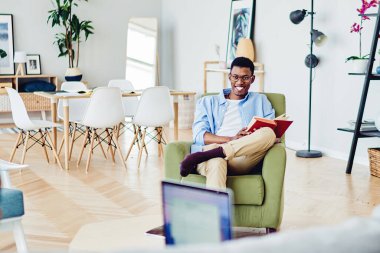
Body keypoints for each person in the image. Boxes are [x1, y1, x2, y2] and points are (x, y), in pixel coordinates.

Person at [180, 57, 277, 189]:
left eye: (245, 78)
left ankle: (217, 152)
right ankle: (216, 208)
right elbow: (199, 135)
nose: (239, 82)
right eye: (235, 77)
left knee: (269, 134)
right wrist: (231, 139)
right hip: (209, 154)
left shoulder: (261, 100)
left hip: (242, 158)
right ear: (229, 77)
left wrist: (256, 137)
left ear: (252, 79)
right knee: (217, 161)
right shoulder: (207, 102)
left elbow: (271, 130)